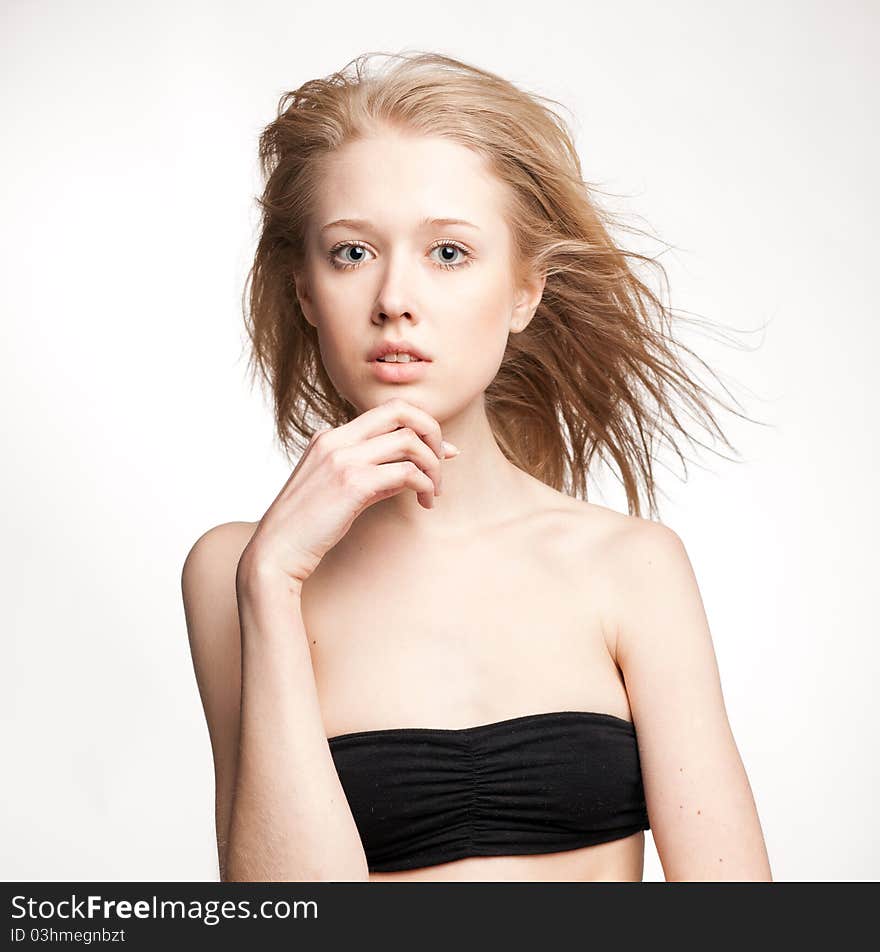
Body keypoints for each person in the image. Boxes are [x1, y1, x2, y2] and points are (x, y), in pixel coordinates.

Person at [181, 50, 773, 882]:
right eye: (351, 252)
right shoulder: (237, 572)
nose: (394, 298)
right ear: (307, 291)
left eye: (449, 253)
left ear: (525, 291)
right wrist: (273, 578)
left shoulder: (631, 566)